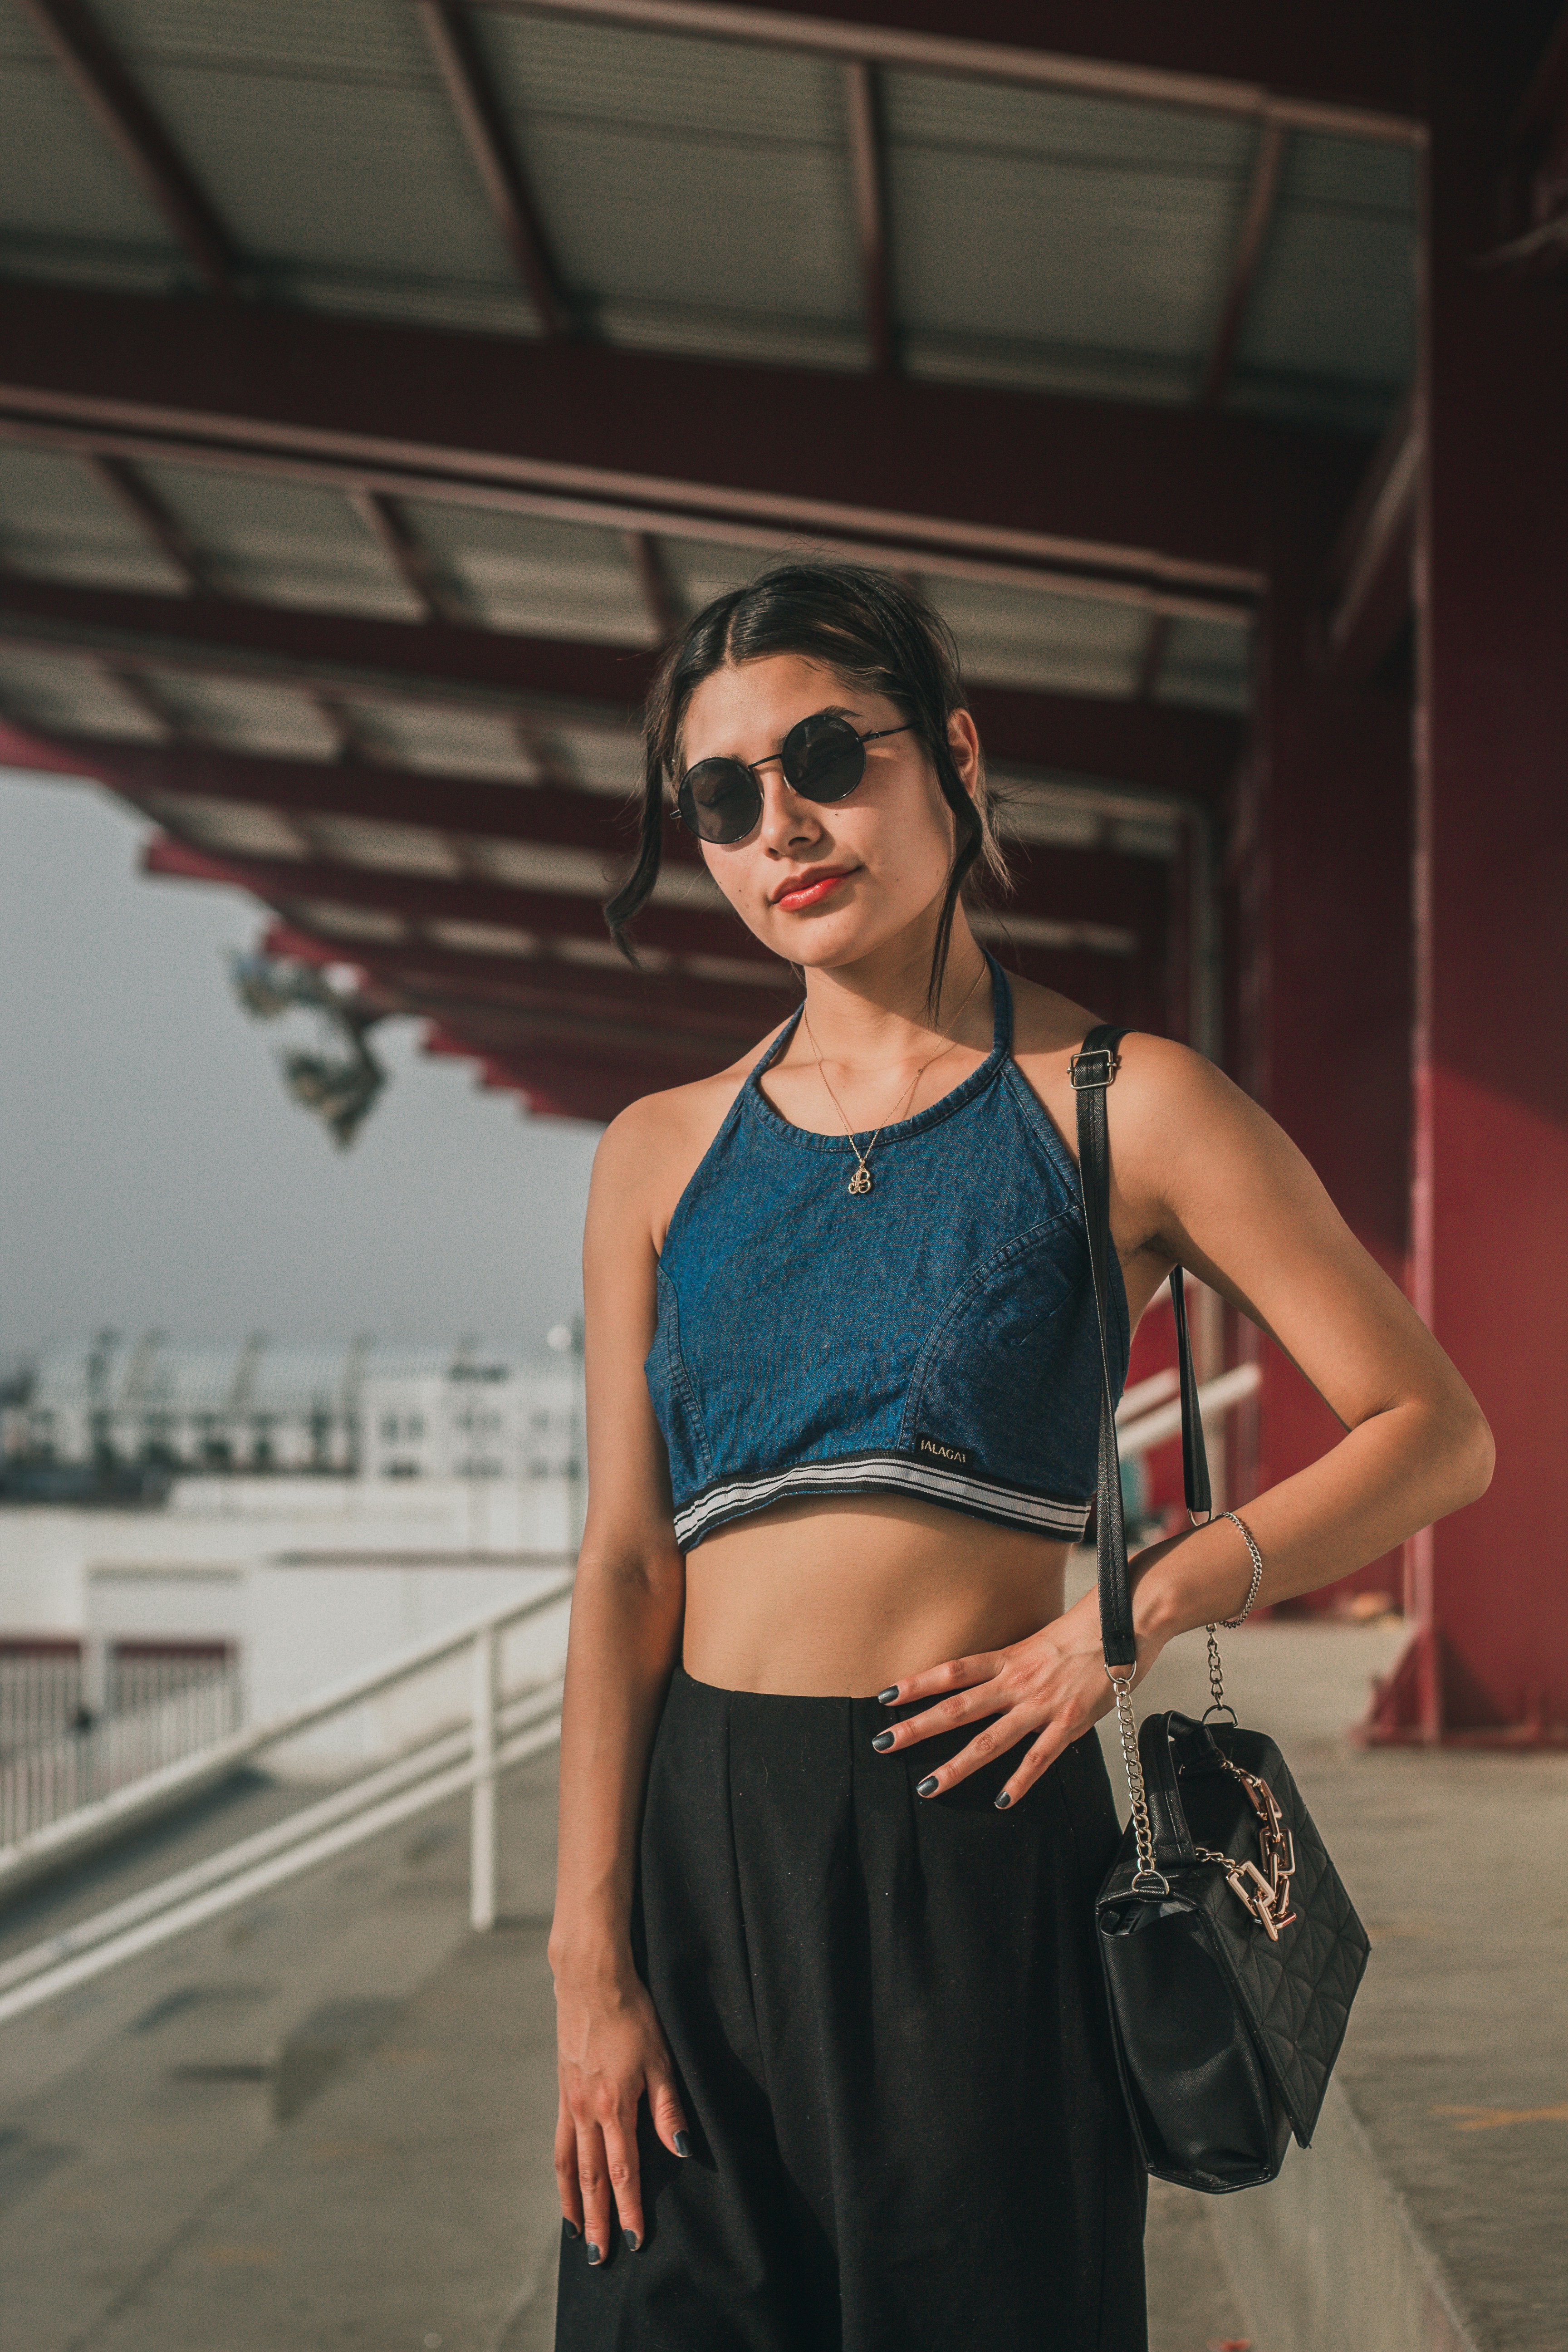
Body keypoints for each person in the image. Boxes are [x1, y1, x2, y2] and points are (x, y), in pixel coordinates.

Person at [548, 561, 1493, 2351]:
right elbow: (623, 1562)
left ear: (958, 757)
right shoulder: (656, 1153)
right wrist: (586, 1951)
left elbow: (1435, 1430)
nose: (781, 826)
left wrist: (1130, 1619)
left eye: (830, 757)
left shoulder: (1128, 1101)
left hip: (976, 1843)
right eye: (724, 796)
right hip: (701, 1858)